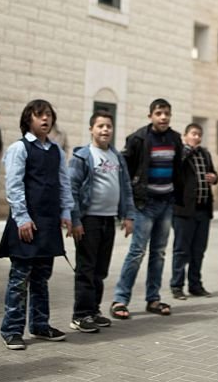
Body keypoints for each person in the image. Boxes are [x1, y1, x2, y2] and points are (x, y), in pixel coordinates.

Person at [0, 99, 73, 351]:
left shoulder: (57, 151)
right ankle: (12, 330)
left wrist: (66, 213)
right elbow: (14, 186)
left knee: (42, 277)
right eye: (39, 115)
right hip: (26, 223)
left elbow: (64, 184)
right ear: (28, 119)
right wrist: (22, 218)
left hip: (49, 224)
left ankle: (40, 325)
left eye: (49, 115)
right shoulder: (20, 148)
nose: (45, 119)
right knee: (20, 278)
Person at [110, 99, 184, 319]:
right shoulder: (138, 138)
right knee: (137, 253)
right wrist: (127, 208)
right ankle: (120, 300)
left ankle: (153, 299)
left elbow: (178, 169)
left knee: (159, 253)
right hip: (144, 205)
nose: (163, 117)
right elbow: (125, 171)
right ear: (150, 115)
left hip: (166, 204)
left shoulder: (175, 139)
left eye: (167, 113)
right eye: (159, 113)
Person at [67, 110, 134, 333]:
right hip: (88, 220)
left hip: (108, 220)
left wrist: (128, 215)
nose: (105, 130)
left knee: (100, 269)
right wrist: (75, 219)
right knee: (86, 267)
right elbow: (72, 189)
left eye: (108, 126)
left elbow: (125, 188)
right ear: (91, 129)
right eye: (100, 126)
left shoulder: (117, 157)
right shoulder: (83, 156)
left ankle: (93, 310)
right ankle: (80, 315)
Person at [170, 122, 218, 300]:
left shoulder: (205, 154)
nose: (197, 137)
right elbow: (176, 170)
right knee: (182, 250)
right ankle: (176, 286)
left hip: (203, 210)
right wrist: (187, 151)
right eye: (193, 134)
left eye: (199, 134)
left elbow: (213, 174)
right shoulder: (180, 153)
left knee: (198, 250)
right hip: (183, 210)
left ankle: (195, 285)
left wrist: (214, 178)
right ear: (185, 136)